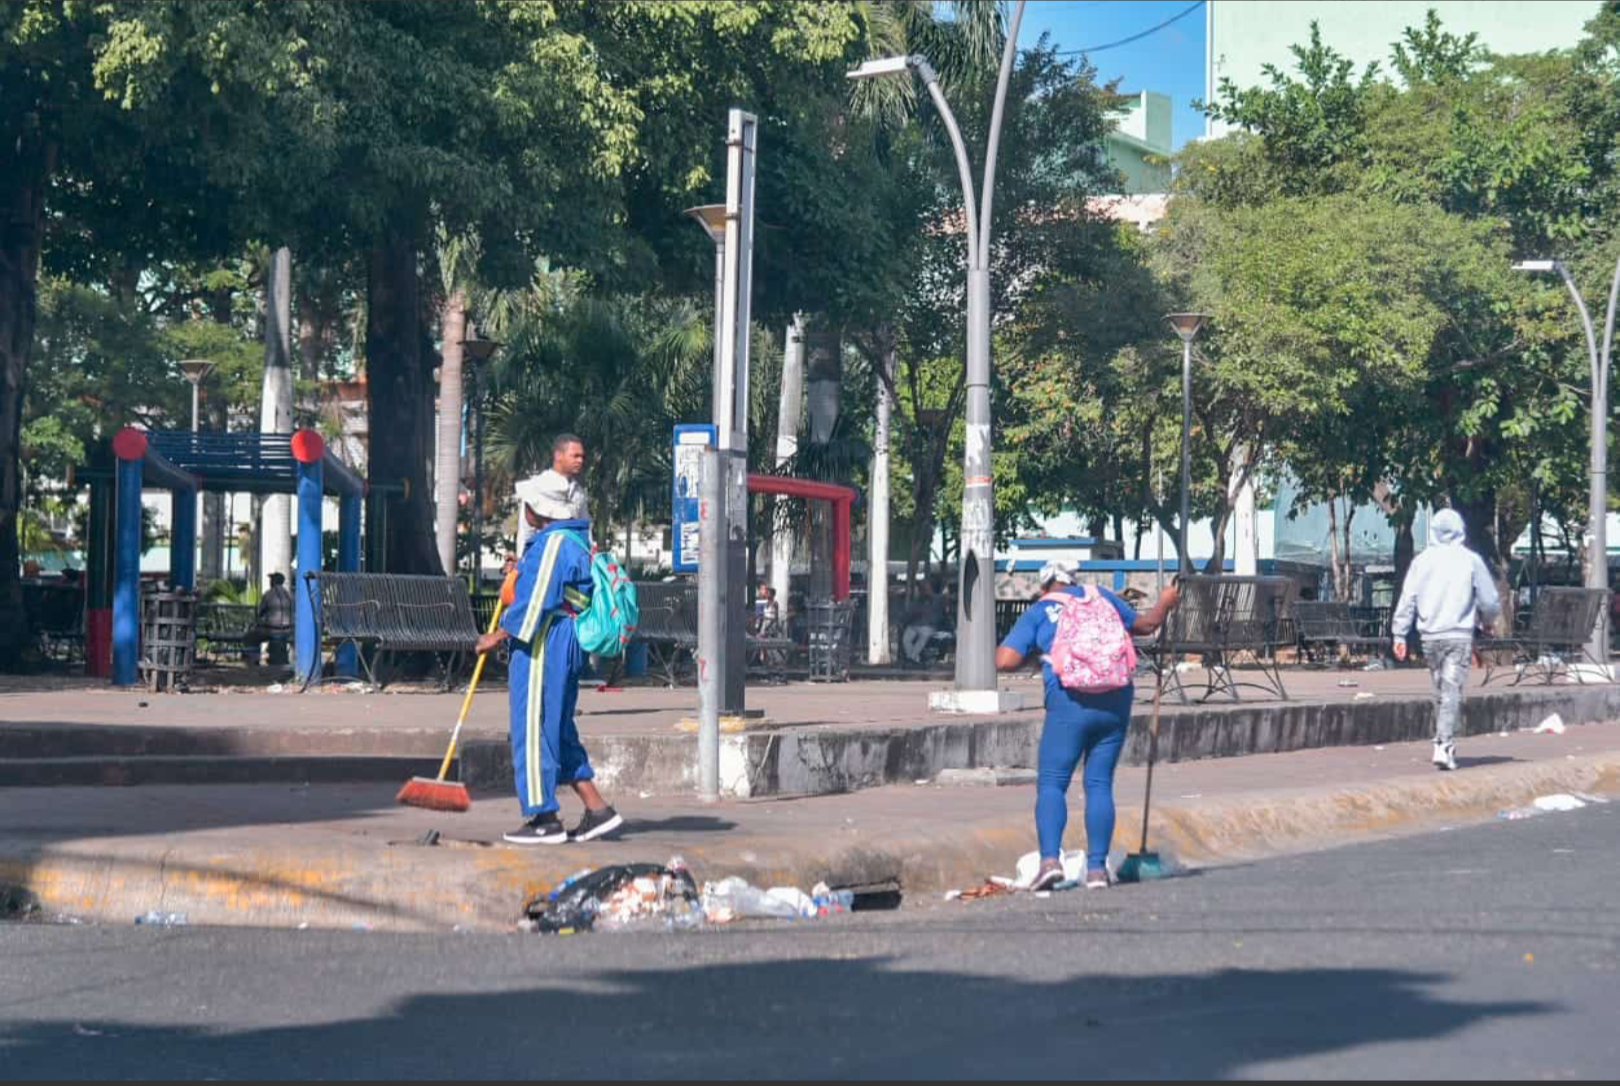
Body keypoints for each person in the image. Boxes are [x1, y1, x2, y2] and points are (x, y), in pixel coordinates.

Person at [996, 561, 1180, 891]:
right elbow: (1147, 625)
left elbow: (1005, 661)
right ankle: (1097, 870)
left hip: (1069, 702)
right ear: (1073, 580)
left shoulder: (1041, 609)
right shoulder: (1102, 596)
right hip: (1116, 700)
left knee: (1052, 783)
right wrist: (1166, 602)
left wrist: (1039, 655)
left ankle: (1050, 862)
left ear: (1044, 586)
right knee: (1098, 783)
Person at [477, 472, 622, 845]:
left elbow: (537, 600)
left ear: (539, 509)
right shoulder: (572, 539)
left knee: (533, 726)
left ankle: (543, 816)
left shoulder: (554, 543)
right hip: (563, 636)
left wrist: (500, 634)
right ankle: (597, 809)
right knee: (556, 725)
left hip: (543, 641)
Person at [1391, 508, 1501, 772]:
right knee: (1451, 689)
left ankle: (1441, 738)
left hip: (1429, 636)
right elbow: (1489, 600)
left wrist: (1399, 633)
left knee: (1440, 688)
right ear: (1460, 530)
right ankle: (1443, 743)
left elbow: (1408, 599)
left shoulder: (1421, 561)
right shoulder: (1470, 560)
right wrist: (1488, 620)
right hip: (1458, 634)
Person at [513, 435, 591, 559]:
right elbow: (526, 532)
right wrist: (521, 560)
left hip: (572, 559)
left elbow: (585, 529)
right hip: (542, 558)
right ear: (558, 455)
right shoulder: (537, 487)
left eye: (582, 457)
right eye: (575, 456)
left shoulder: (578, 492)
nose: (580, 461)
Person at [249, 572, 294, 666]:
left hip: (271, 631)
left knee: (250, 638)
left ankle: (254, 661)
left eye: (271, 580)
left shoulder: (268, 595)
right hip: (289, 631)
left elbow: (260, 612)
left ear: (273, 582)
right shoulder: (290, 596)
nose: (270, 582)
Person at [901, 576, 948, 666]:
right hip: (915, 624)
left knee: (924, 635)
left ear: (931, 588)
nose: (924, 590)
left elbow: (945, 597)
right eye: (923, 588)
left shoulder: (937, 599)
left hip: (928, 625)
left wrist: (944, 587)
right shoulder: (918, 600)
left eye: (926, 587)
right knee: (906, 638)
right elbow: (911, 612)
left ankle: (912, 659)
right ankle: (915, 660)